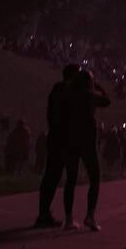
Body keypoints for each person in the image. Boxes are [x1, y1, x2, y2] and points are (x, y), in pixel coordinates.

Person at [62, 69, 110, 231]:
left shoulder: (70, 96)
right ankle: (90, 216)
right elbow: (107, 100)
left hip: (71, 140)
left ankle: (68, 218)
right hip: (88, 142)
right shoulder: (91, 97)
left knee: (71, 180)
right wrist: (98, 86)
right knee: (95, 178)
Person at [35, 63, 79, 228]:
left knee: (51, 176)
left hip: (56, 138)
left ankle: (43, 213)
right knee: (56, 177)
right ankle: (44, 214)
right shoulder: (65, 92)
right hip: (62, 139)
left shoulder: (57, 91)